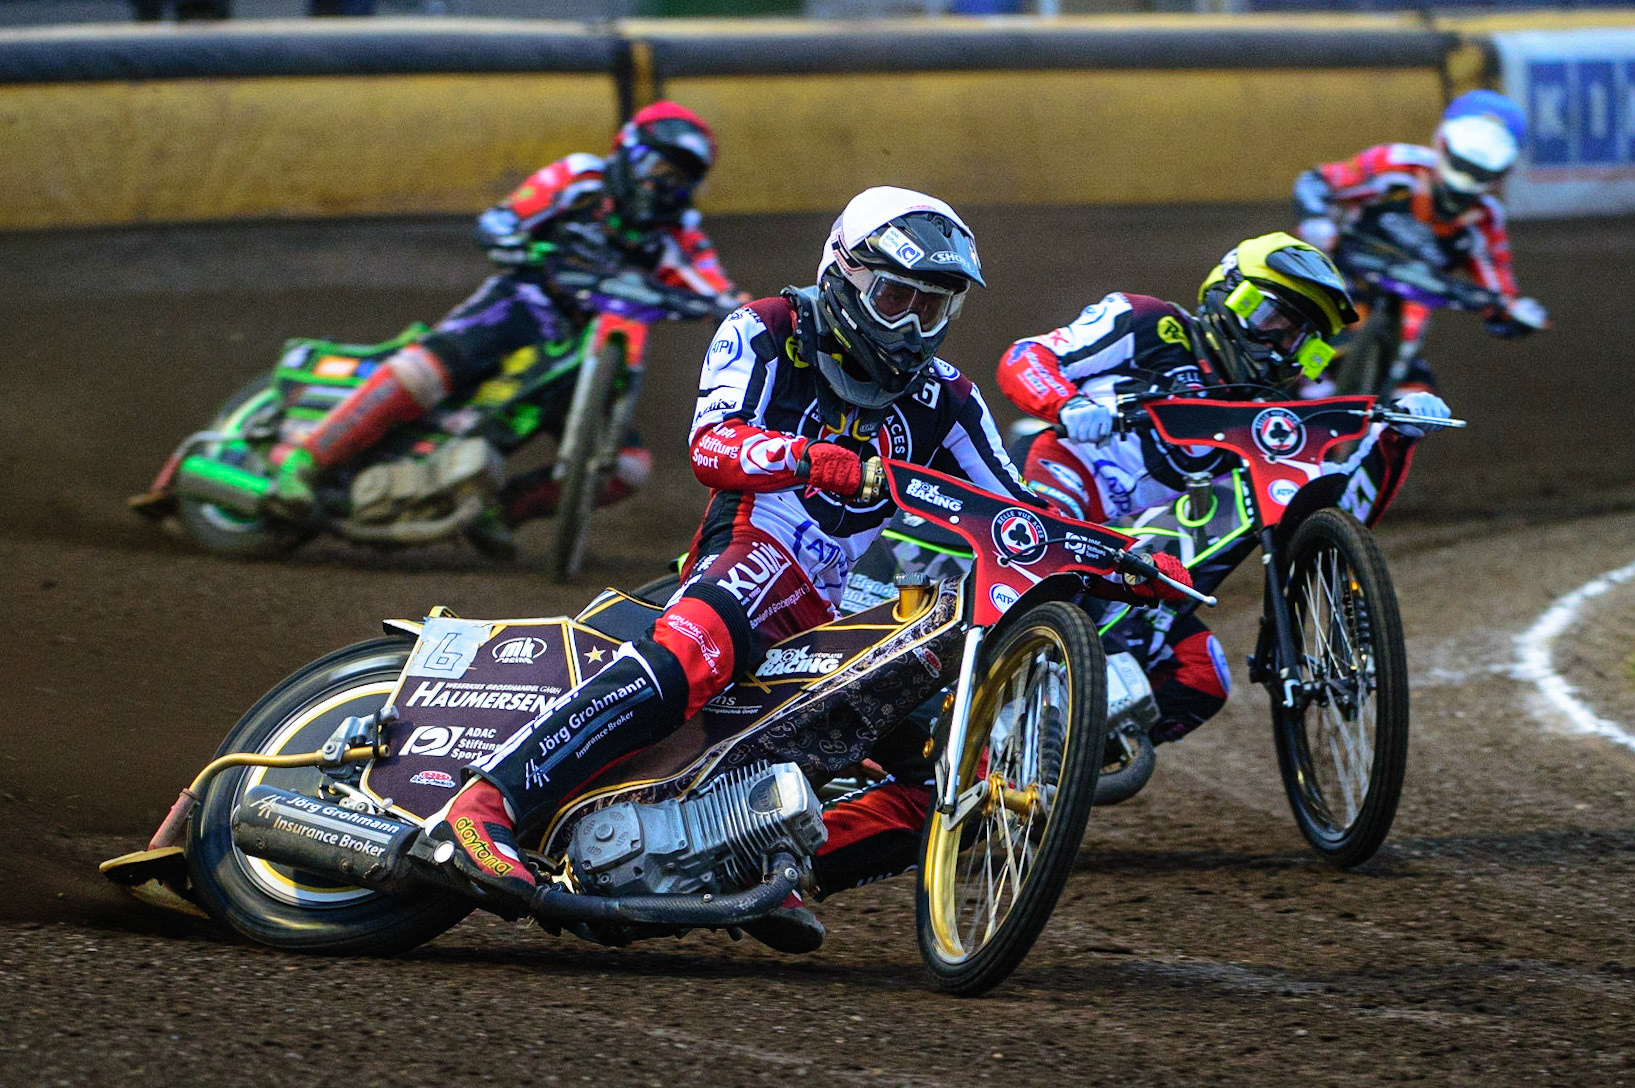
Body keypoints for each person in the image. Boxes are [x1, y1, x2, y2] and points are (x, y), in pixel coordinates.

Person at [422, 186, 1191, 946]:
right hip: (754, 549)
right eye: (896, 298)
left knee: (949, 774)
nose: (912, 326)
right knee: (689, 654)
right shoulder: (764, 329)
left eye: (933, 308)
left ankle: (762, 864)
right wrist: (806, 459)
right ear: (842, 274)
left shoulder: (946, 398)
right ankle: (487, 804)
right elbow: (710, 446)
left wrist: (1119, 556)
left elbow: (1015, 507)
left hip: (846, 596)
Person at [996, 232, 1450, 747]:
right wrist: (1066, 405)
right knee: (1055, 577)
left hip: (1146, 553)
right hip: (1065, 480)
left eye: (1303, 339)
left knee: (1202, 677)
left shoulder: (1267, 415)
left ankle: (1058, 766)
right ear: (1226, 292)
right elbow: (1027, 356)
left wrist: (1394, 437)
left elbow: (1334, 513)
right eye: (1272, 318)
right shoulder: (1146, 321)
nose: (1281, 345)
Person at [266, 101, 740, 544]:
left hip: (587, 347)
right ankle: (304, 464)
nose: (664, 183)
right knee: (425, 372)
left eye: (680, 176)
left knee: (627, 467)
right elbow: (508, 215)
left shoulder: (681, 232)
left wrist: (737, 311)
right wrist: (507, 234)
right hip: (524, 301)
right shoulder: (581, 177)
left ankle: (498, 513)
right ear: (627, 152)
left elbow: (717, 288)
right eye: (658, 166)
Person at [1292, 89, 1547, 397]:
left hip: (1408, 313)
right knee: (1288, 353)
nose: (1464, 182)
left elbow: (1498, 287)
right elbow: (1317, 181)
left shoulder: (1485, 219)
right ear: (1442, 143)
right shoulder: (1396, 166)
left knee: (1417, 405)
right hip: (1338, 279)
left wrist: (1515, 311)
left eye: (1480, 173)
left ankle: (1375, 431)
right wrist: (1317, 219)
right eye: (1461, 164)